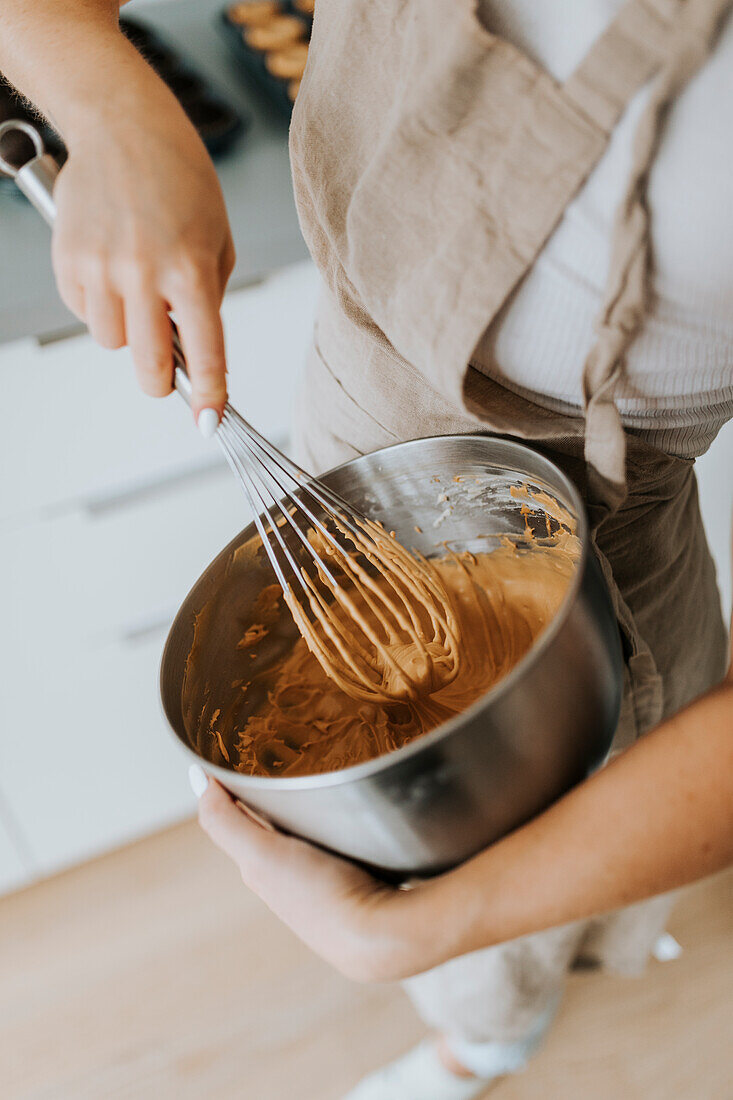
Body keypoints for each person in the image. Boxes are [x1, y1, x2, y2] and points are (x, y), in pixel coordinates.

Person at [2, 1, 731, 1096]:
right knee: (411, 841)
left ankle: (485, 1034)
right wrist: (109, 113)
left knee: (520, 880)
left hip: (605, 546)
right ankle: (480, 1023)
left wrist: (405, 932)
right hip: (356, 398)